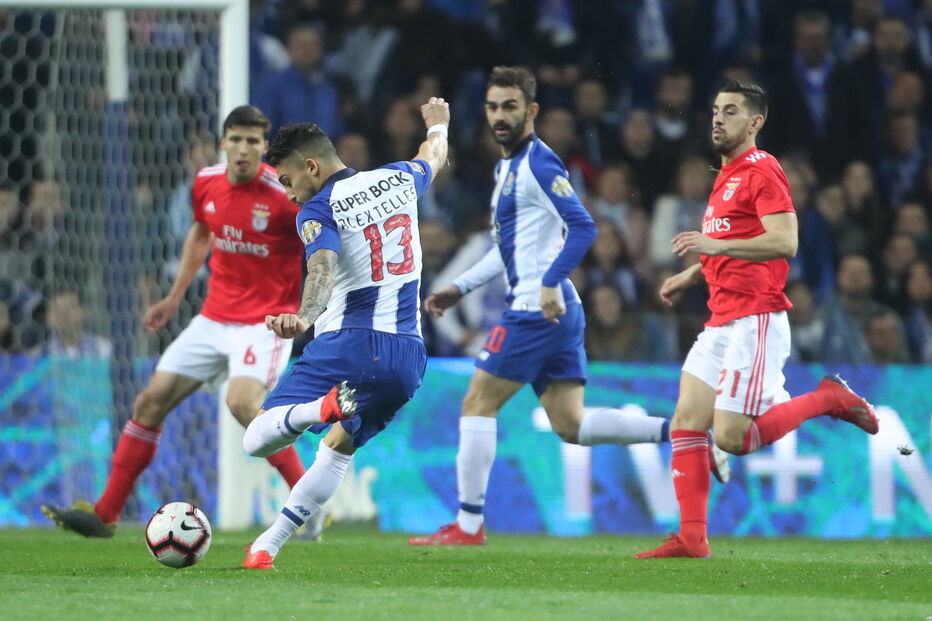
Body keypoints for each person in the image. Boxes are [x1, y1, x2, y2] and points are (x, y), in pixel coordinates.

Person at [408, 67, 729, 548]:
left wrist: (552, 282)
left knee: (477, 401)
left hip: (538, 308)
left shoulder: (539, 164)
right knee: (570, 424)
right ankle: (689, 435)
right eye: (493, 106)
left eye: (510, 106)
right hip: (555, 309)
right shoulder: (507, 168)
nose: (500, 115)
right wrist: (461, 287)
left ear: (531, 111)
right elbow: (508, 246)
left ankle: (469, 525)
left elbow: (584, 227)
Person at [635, 80, 879, 560]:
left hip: (756, 318)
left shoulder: (762, 170)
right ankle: (691, 537)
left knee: (732, 438)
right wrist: (691, 274)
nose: (718, 119)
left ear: (755, 122)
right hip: (720, 319)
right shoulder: (725, 177)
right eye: (714, 110)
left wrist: (714, 247)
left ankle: (828, 398)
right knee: (686, 419)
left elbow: (784, 241)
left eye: (730, 111)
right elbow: (730, 242)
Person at [42, 106, 308, 537]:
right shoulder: (205, 182)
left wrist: (306, 310)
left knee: (242, 405)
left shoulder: (282, 196)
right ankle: (105, 514)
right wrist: (174, 295)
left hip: (264, 321)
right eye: (236, 139)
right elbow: (202, 232)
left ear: (265, 147)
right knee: (149, 401)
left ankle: (307, 498)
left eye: (253, 142)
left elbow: (317, 249)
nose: (243, 149)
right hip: (213, 317)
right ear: (223, 142)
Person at [240, 96, 450, 570]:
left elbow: (322, 268)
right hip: (408, 357)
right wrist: (439, 125)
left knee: (256, 438)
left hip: (350, 342)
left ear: (311, 167)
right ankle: (266, 547)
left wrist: (303, 317)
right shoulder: (399, 178)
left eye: (290, 181)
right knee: (337, 448)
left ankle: (321, 406)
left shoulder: (317, 209)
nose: (290, 195)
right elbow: (432, 156)